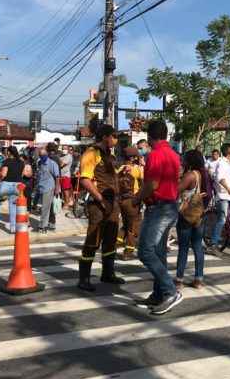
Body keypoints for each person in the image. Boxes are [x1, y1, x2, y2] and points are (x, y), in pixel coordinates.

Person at [134, 120, 182, 315]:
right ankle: (158, 294)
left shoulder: (155, 155)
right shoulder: (173, 154)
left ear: (150, 136)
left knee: (145, 251)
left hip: (159, 208)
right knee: (159, 253)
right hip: (170, 206)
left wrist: (136, 199)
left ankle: (170, 291)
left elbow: (152, 185)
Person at [78, 124, 125, 291]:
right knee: (93, 239)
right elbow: (85, 179)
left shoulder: (108, 154)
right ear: (105, 137)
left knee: (110, 239)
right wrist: (100, 199)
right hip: (98, 205)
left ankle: (108, 273)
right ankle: (83, 278)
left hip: (112, 203)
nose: (116, 139)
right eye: (114, 136)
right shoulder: (92, 153)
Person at [175, 150, 212, 290]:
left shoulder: (190, 175)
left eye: (184, 158)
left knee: (183, 248)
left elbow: (176, 190)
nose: (182, 161)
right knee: (197, 247)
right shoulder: (201, 174)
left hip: (186, 216)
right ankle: (198, 279)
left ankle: (179, 280)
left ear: (189, 161)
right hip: (198, 215)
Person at [207, 143, 230, 256]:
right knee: (222, 219)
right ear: (229, 150)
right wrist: (228, 189)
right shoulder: (221, 162)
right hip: (223, 195)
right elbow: (220, 178)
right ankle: (213, 244)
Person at [117, 147, 143, 261]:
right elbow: (145, 181)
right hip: (133, 200)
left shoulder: (120, 168)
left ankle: (116, 243)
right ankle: (128, 251)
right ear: (133, 158)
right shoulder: (136, 169)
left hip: (122, 200)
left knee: (126, 224)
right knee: (133, 227)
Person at [0, 146, 24, 233]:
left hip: (6, 184)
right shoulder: (21, 162)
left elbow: (4, 174)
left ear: (9, 152)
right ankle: (13, 228)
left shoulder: (7, 161)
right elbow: (22, 174)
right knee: (13, 206)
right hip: (17, 185)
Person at [36, 147, 60, 234]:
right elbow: (39, 175)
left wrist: (57, 188)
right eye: (40, 155)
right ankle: (52, 223)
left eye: (44, 155)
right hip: (41, 187)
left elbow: (57, 176)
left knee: (45, 208)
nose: (42, 156)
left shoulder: (52, 164)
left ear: (47, 155)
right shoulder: (39, 163)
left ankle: (43, 225)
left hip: (49, 187)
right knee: (49, 207)